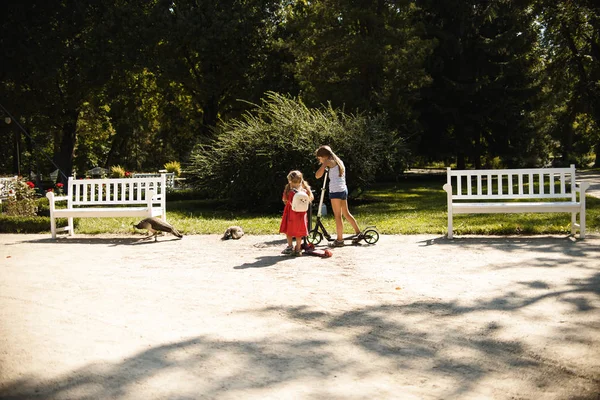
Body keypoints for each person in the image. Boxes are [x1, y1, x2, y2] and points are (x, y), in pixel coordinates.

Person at [315, 145, 361, 247]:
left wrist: (323, 165)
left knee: (338, 216)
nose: (319, 160)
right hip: (343, 189)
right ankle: (358, 233)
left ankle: (339, 240)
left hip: (336, 191)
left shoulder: (328, 162)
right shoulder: (338, 160)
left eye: (319, 158)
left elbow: (317, 175)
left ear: (324, 156)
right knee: (346, 213)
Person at [279, 170, 314, 256]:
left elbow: (284, 199)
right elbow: (310, 199)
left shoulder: (289, 191)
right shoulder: (304, 191)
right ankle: (298, 249)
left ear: (289, 181)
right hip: (301, 215)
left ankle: (290, 247)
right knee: (299, 232)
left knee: (289, 231)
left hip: (290, 213)